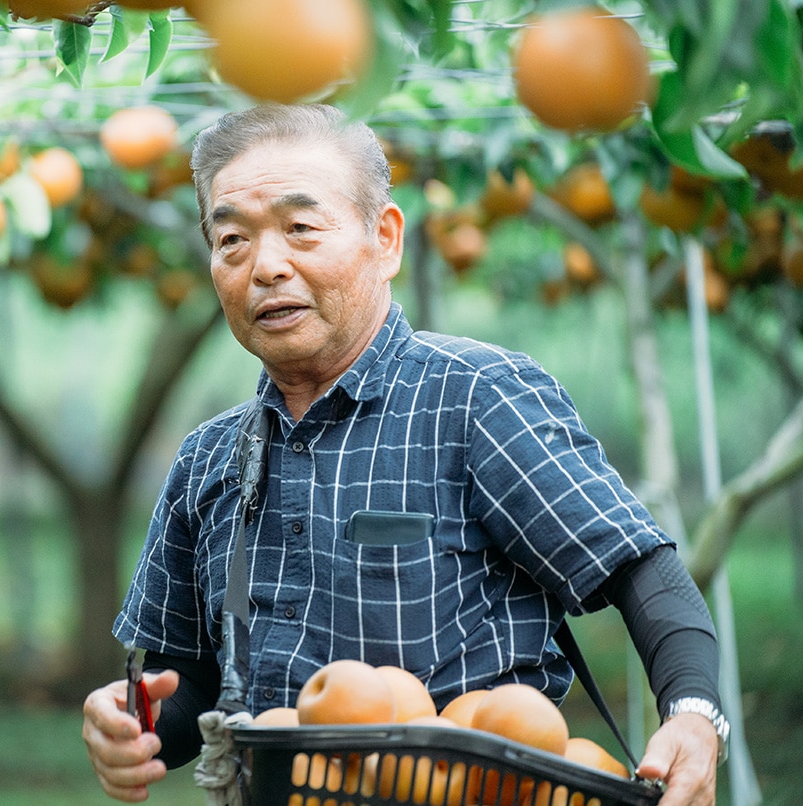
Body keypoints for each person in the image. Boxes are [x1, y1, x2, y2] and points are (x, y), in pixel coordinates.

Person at [82, 103, 725, 805]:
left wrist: (693, 714)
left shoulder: (477, 399)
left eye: (301, 228)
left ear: (384, 240)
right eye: (232, 239)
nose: (265, 266)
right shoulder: (208, 461)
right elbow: (190, 686)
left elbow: (637, 568)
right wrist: (132, 720)